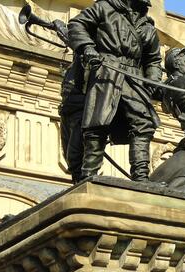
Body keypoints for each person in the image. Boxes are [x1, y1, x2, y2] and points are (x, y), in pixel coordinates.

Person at [67, 0, 162, 181]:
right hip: (107, 71)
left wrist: (153, 81)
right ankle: (89, 175)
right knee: (97, 124)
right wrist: (87, 47)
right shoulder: (105, 7)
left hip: (134, 77)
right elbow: (76, 24)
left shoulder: (147, 24)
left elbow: (153, 60)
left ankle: (140, 176)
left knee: (143, 124)